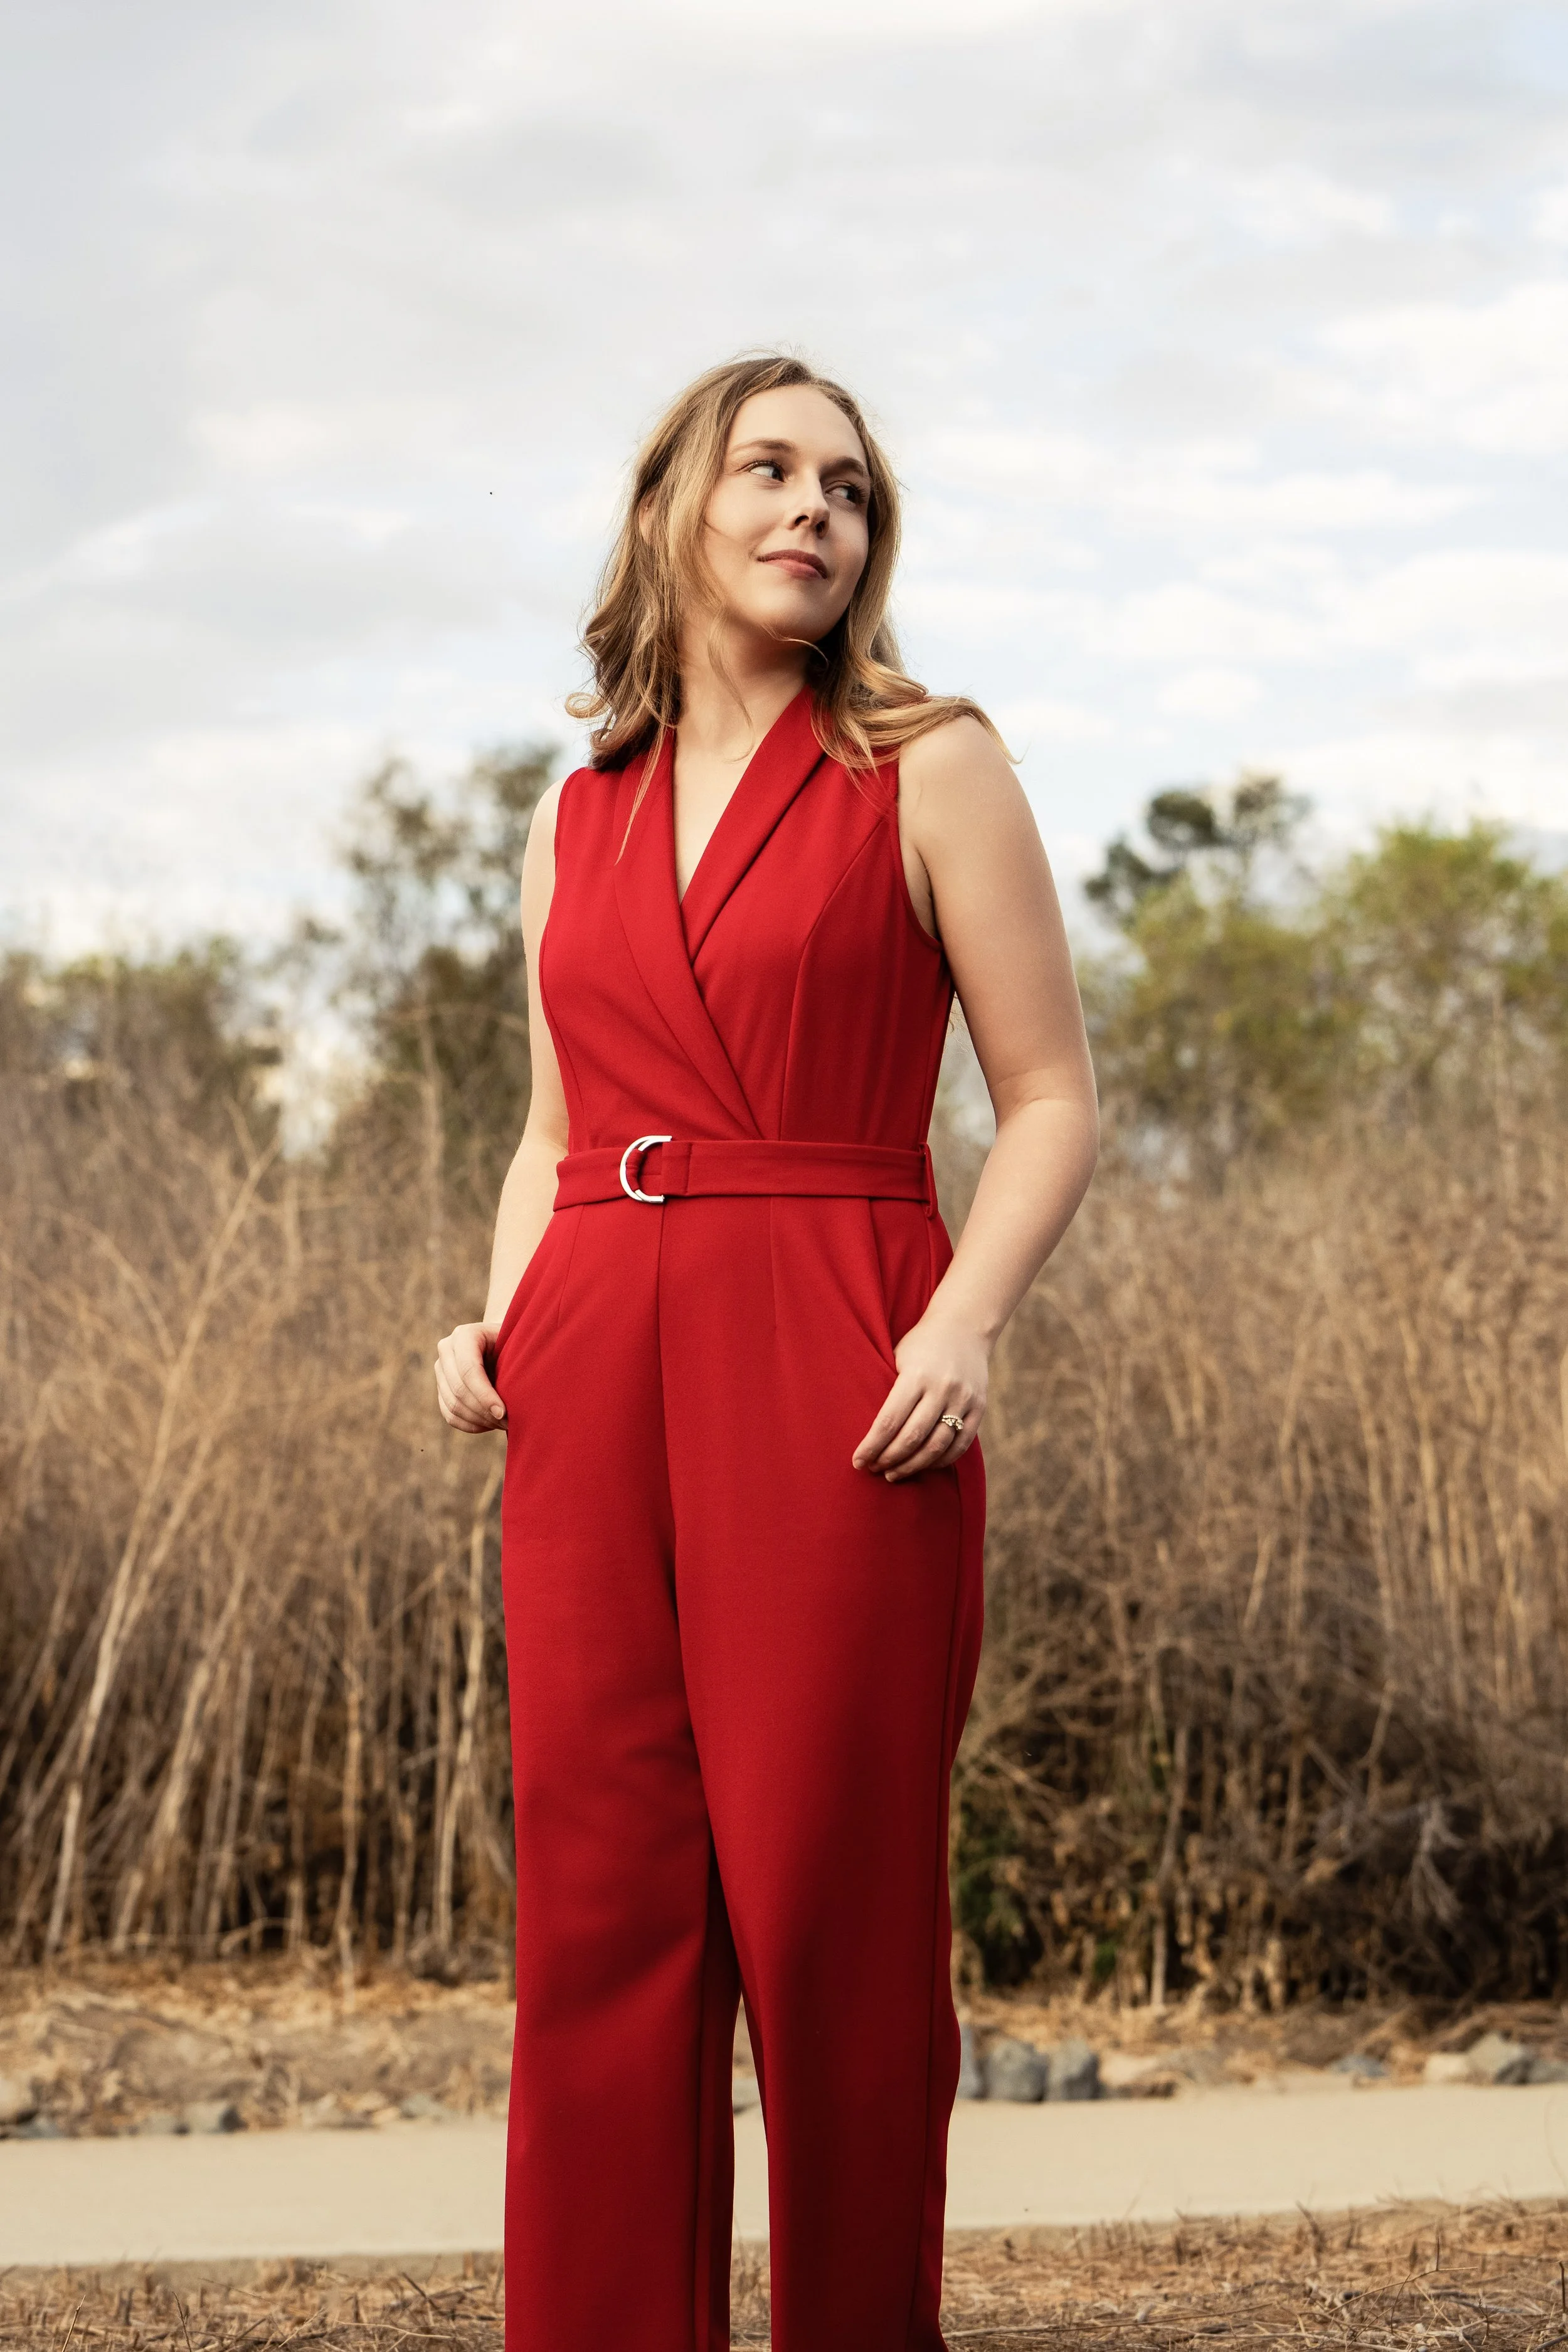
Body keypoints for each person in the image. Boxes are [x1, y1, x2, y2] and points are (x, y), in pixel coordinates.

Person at [433, 353, 1098, 2352]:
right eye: (771, 469)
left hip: (836, 1353)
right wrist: (495, 1316)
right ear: (670, 514)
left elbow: (1051, 1093)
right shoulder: (577, 813)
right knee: (604, 1919)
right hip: (590, 1362)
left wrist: (961, 1322)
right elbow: (556, 1132)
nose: (818, 509)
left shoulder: (930, 761)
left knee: (827, 1917)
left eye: (853, 489)